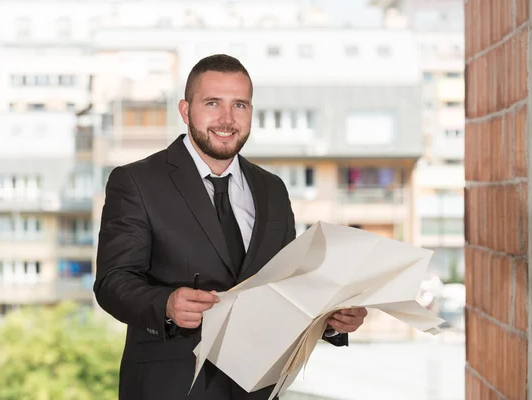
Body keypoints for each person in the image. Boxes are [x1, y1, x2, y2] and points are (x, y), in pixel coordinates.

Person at [94, 54, 368, 400]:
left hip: (257, 389)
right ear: (185, 110)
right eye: (212, 103)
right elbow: (111, 283)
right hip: (171, 387)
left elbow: (285, 290)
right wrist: (165, 303)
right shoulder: (136, 181)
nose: (227, 119)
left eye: (239, 105)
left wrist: (330, 320)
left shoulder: (272, 190)